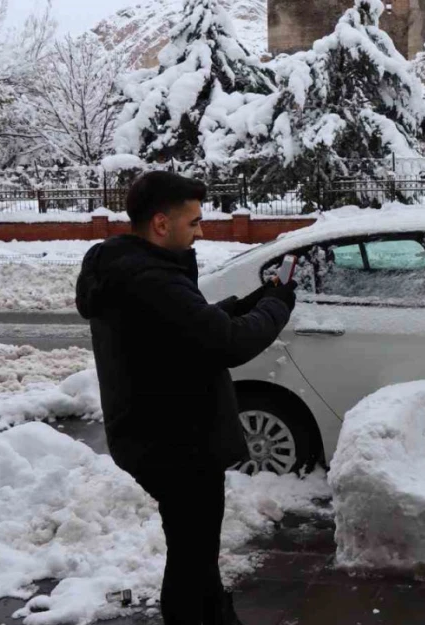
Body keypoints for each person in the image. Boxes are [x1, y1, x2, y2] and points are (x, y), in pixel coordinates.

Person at [75, 171, 297, 625]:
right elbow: (227, 344)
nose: (201, 231)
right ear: (161, 223)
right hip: (176, 442)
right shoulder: (153, 279)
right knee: (192, 559)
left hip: (155, 433)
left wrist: (250, 301)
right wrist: (278, 305)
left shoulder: (127, 269)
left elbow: (182, 330)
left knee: (193, 551)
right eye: (194, 222)